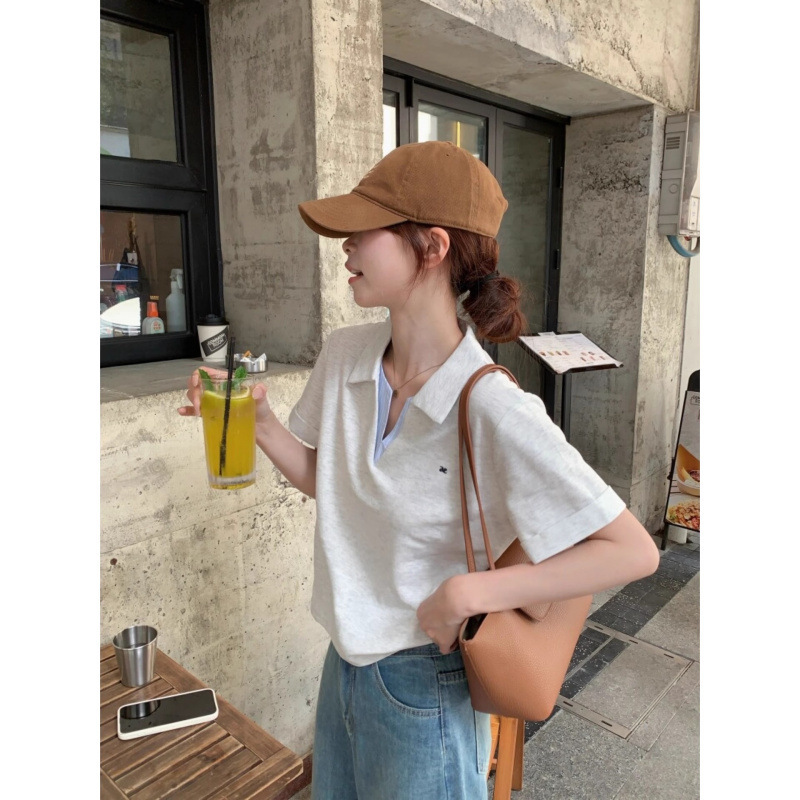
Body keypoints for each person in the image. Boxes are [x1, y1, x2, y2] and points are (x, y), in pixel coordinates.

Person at [179, 140, 660, 800]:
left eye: (363, 230)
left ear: (431, 247)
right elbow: (329, 481)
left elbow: (632, 551)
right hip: (343, 663)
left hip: (427, 682)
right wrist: (260, 422)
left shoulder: (491, 405)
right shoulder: (346, 355)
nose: (346, 246)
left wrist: (473, 593)